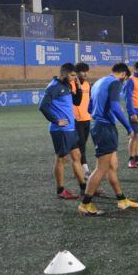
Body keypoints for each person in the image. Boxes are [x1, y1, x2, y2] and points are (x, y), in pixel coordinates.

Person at [79, 63, 138, 215]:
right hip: (105, 128)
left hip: (98, 125)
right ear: (124, 74)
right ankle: (85, 204)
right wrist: (129, 127)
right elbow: (114, 106)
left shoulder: (99, 82)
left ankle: (121, 199)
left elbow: (89, 108)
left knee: (112, 165)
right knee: (101, 168)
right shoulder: (114, 83)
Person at [39, 62, 88, 200]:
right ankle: (60, 190)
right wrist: (56, 120)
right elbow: (43, 106)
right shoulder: (54, 86)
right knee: (62, 159)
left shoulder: (66, 85)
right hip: (60, 130)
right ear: (64, 73)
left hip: (70, 129)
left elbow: (77, 101)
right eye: (72, 75)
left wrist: (78, 86)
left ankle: (84, 188)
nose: (74, 78)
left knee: (77, 156)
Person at [70, 62, 94, 180]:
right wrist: (74, 115)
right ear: (77, 73)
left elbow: (89, 100)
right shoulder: (72, 84)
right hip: (76, 120)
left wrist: (91, 113)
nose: (85, 73)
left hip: (87, 118)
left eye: (86, 71)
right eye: (82, 71)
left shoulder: (88, 85)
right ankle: (85, 170)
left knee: (82, 145)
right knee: (81, 147)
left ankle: (78, 169)